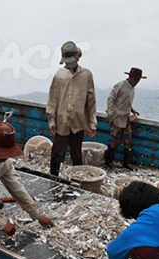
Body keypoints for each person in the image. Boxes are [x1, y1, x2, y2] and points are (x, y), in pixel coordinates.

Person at [46, 41, 97, 176]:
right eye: (66, 62)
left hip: (78, 122)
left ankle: (76, 178)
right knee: (57, 154)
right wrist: (51, 120)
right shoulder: (59, 75)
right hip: (61, 121)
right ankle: (53, 177)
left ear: (77, 58)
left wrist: (92, 123)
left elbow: (91, 102)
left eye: (71, 61)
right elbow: (53, 99)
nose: (68, 64)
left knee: (76, 154)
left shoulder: (87, 75)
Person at [105, 67, 145, 169]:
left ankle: (126, 164)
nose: (137, 82)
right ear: (130, 77)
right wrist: (110, 114)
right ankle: (108, 161)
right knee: (116, 140)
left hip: (126, 118)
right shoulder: (120, 85)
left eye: (138, 80)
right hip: (117, 117)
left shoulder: (132, 89)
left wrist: (132, 110)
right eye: (136, 79)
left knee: (128, 141)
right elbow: (111, 98)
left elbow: (125, 102)